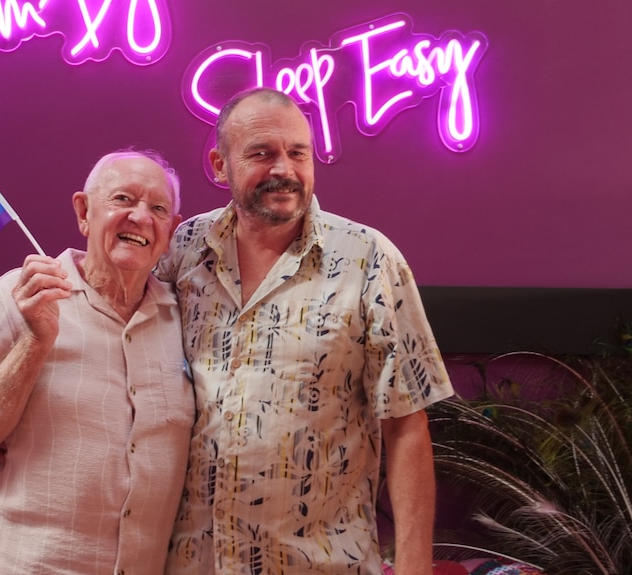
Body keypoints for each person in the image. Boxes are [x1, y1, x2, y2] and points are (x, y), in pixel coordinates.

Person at [156, 88, 455, 575]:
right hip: (193, 564)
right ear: (218, 163)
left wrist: (414, 565)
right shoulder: (184, 249)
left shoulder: (368, 260)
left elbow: (405, 424)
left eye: (298, 153)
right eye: (261, 153)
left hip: (320, 564)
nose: (284, 169)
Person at [0, 149, 195, 575]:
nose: (140, 217)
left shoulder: (185, 316)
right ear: (83, 212)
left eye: (158, 208)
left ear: (170, 231)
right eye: (123, 199)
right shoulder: (19, 296)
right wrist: (34, 343)